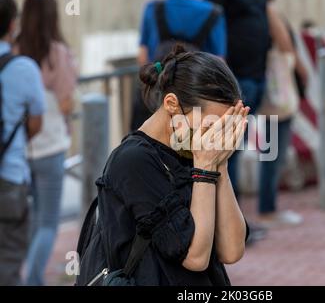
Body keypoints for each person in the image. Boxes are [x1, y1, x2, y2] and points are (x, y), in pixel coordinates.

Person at [77, 45, 249, 286]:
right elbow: (195, 257)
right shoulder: (134, 161)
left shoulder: (197, 151)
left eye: (223, 127)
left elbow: (232, 250)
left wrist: (220, 165)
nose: (216, 137)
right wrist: (205, 169)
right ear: (171, 104)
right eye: (210, 125)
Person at [15, 0, 78, 286]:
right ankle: (34, 280)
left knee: (29, 217)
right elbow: (66, 103)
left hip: (20, 148)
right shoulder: (57, 53)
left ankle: (19, 273)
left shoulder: (14, 52)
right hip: (51, 145)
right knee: (48, 221)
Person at [203, 0, 271, 242]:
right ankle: (226, 227)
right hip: (234, 80)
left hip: (256, 76)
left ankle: (234, 223)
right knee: (226, 153)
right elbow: (213, 18)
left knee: (235, 152)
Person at [131, 0, 227, 130]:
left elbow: (143, 57)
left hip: (154, 92)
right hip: (192, 97)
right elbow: (219, 63)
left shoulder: (153, 7)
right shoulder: (213, 12)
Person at [0, 0, 46, 286]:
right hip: (9, 177)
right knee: (8, 263)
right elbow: (36, 123)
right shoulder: (23, 68)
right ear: (13, 24)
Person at [256, 0, 307, 226]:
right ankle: (267, 209)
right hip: (276, 94)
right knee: (272, 152)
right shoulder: (266, 9)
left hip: (268, 91)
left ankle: (268, 206)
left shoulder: (253, 9)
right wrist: (302, 70)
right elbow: (285, 45)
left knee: (270, 151)